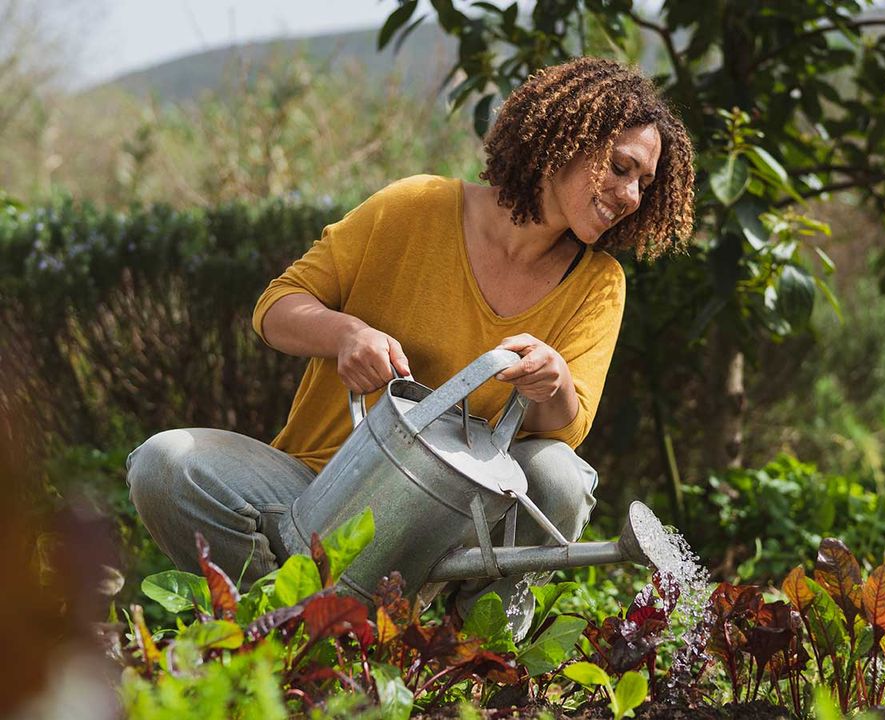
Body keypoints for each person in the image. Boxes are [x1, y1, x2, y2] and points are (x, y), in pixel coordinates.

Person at [124, 56, 696, 638]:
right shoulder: (416, 207)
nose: (629, 194)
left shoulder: (599, 282)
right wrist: (347, 333)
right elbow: (277, 306)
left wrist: (552, 381)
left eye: (644, 184)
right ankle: (292, 632)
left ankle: (471, 658)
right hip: (319, 487)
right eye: (620, 167)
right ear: (564, 140)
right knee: (165, 464)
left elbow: (566, 432)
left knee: (560, 476)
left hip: (446, 527)